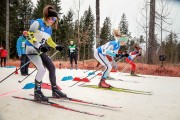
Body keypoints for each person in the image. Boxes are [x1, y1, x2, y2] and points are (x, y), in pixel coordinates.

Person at [25, 5, 67, 102]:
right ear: (47, 17)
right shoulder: (37, 23)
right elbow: (29, 36)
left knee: (51, 67)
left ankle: (55, 89)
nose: (53, 21)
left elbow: (49, 41)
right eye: (52, 18)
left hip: (40, 50)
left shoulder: (49, 29)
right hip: (31, 48)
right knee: (41, 69)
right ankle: (37, 92)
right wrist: (39, 46)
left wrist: (56, 46)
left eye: (55, 20)